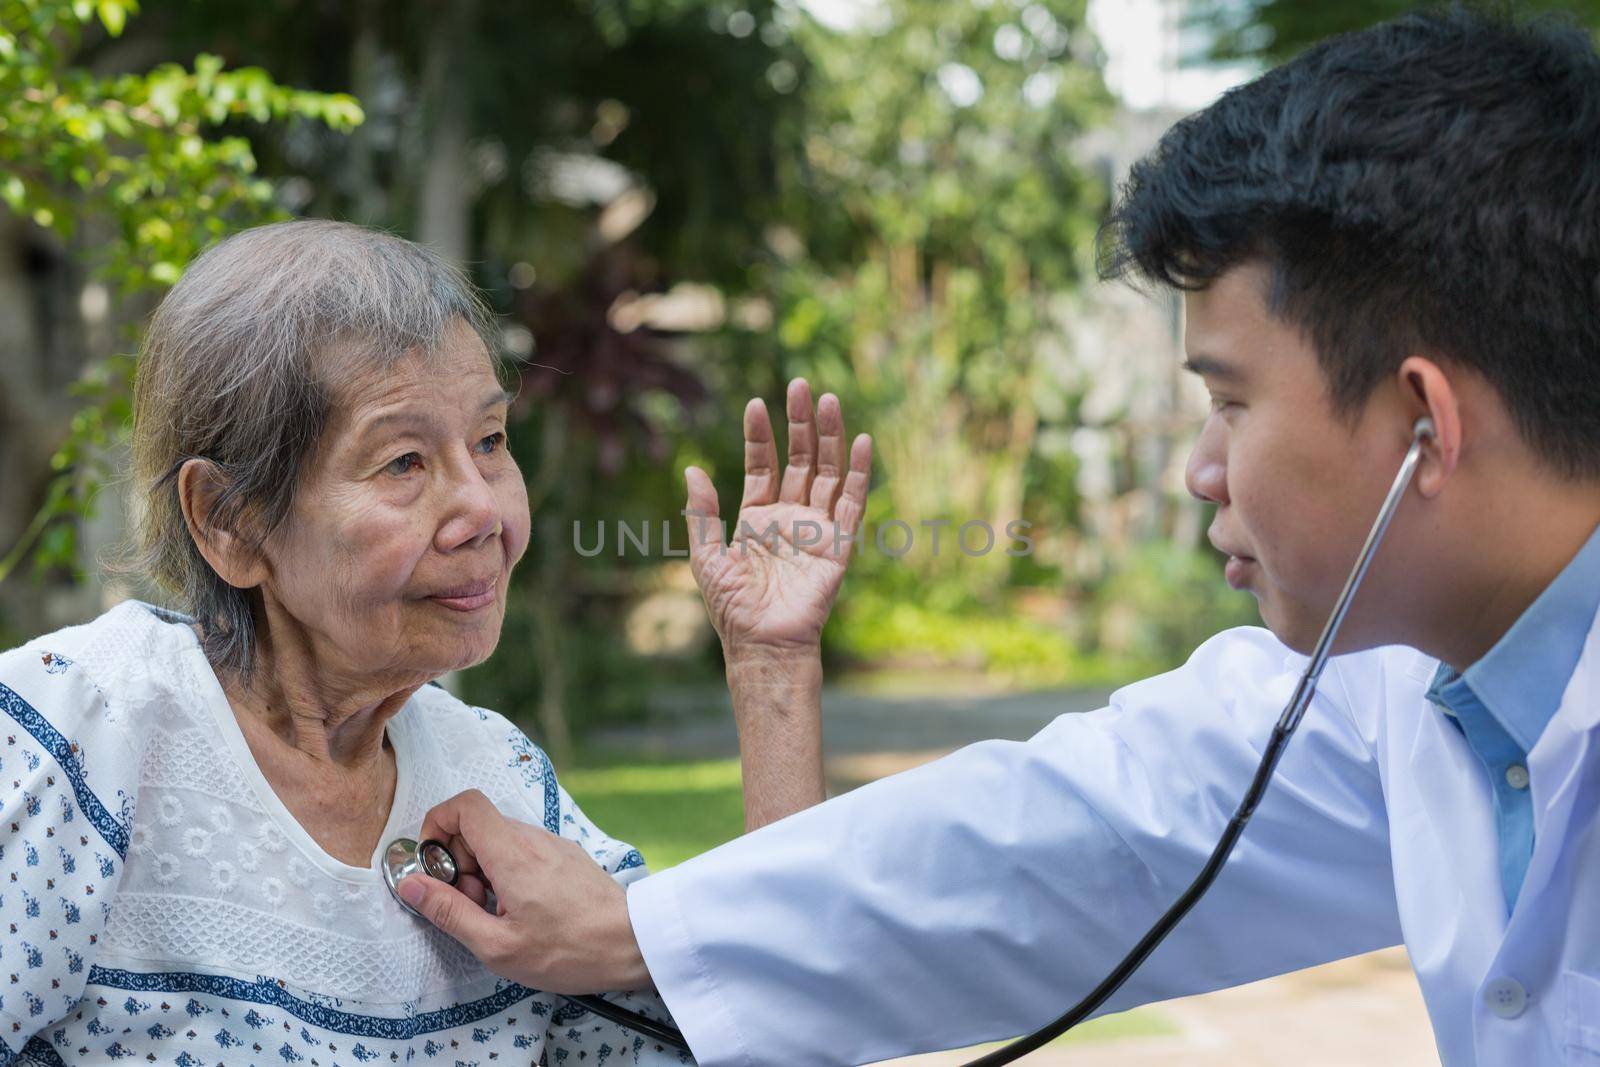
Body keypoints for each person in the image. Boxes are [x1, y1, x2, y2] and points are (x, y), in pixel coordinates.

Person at [393, 9, 1600, 1066]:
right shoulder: (1397, 691)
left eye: (1229, 401)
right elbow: (1065, 841)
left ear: (1422, 426)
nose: (1198, 468)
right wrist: (637, 923)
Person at [0, 220, 870, 1064]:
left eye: (490, 441)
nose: (484, 509)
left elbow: (770, 1026)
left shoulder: (501, 783)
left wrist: (771, 665)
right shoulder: (75, 738)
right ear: (231, 522)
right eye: (403, 462)